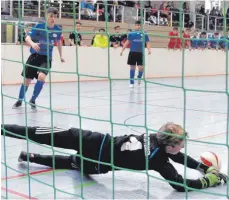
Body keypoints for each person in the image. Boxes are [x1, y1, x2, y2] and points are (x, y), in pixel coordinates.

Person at [1, 122, 228, 192]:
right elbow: (179, 185)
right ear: (170, 146)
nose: (182, 149)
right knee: (72, 162)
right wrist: (209, 179)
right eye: (180, 144)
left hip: (93, 141)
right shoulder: (159, 160)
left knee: (42, 133)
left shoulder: (155, 139)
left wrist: (200, 166)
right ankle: (30, 155)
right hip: (99, 164)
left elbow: (178, 157)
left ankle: (12, 136)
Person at [12, 7, 65, 112]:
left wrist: (61, 55)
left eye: (54, 16)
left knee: (41, 77)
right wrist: (32, 44)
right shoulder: (39, 26)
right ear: (47, 16)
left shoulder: (58, 30)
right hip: (35, 56)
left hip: (46, 58)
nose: (53, 18)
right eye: (51, 16)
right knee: (27, 81)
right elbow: (27, 38)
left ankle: (33, 100)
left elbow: (58, 42)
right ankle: (19, 100)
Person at [120, 20, 151, 89]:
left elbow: (147, 42)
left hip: (141, 53)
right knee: (132, 67)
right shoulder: (131, 33)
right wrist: (122, 50)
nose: (138, 26)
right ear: (135, 26)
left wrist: (149, 50)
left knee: (141, 67)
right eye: (137, 25)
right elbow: (127, 42)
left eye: (139, 25)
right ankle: (131, 82)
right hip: (133, 52)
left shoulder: (144, 34)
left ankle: (139, 77)